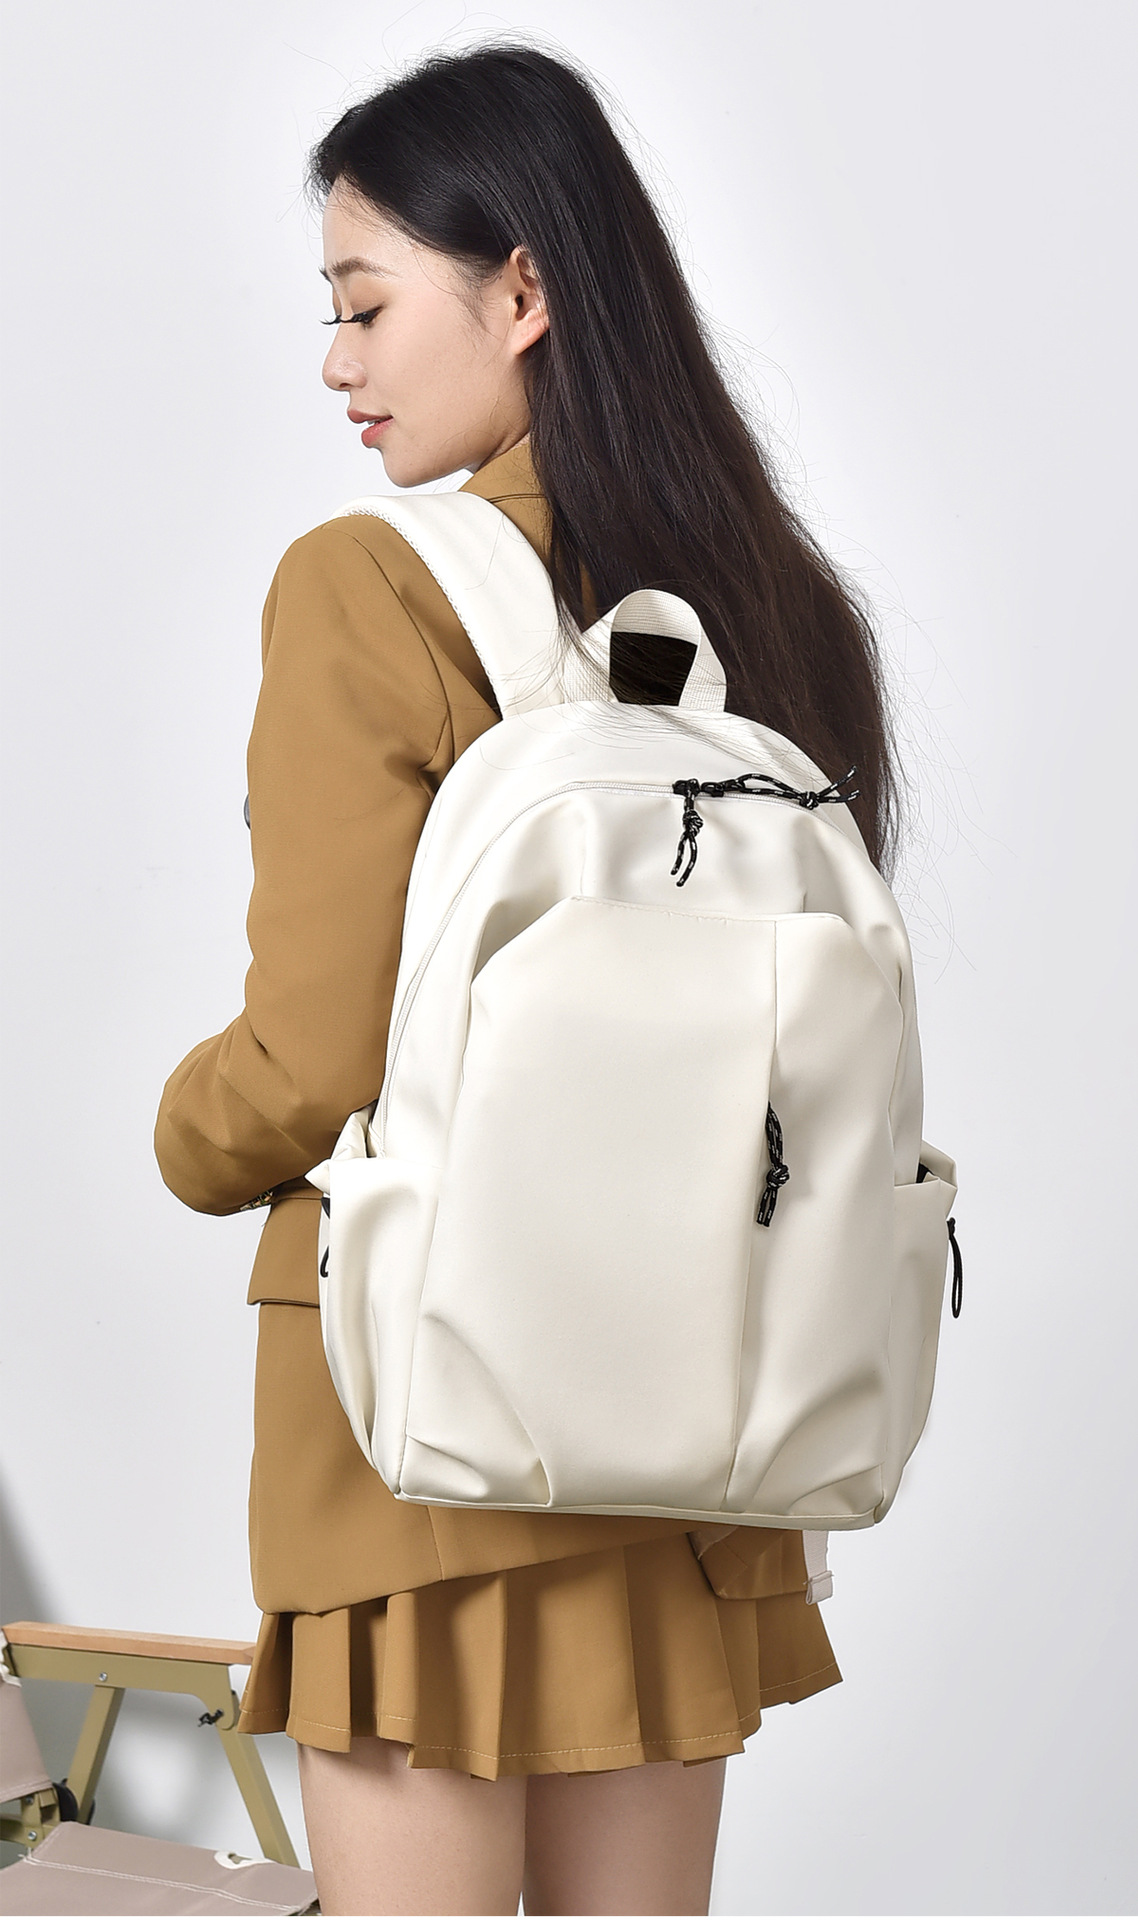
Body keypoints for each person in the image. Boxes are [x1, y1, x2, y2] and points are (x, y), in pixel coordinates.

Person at [155, 43, 898, 1917]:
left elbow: (315, 1053)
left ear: (523, 290)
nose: (338, 364)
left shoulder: (371, 585)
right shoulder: (774, 603)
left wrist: (183, 1130)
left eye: (363, 304)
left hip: (435, 1414)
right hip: (702, 1417)